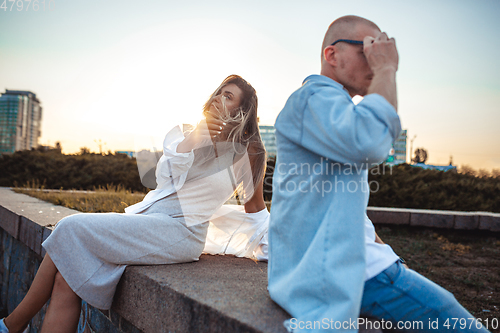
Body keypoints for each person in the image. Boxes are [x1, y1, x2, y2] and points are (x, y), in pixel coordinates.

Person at [267, 15, 490, 333]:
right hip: (346, 273)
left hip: (339, 265)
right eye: (369, 48)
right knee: (457, 321)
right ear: (332, 55)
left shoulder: (330, 107)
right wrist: (386, 69)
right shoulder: (313, 98)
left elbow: (334, 194)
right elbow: (370, 141)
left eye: (380, 51)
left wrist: (383, 247)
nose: (377, 57)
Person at [1, 75, 270, 333]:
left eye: (228, 96)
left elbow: (255, 207)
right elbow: (162, 180)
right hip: (148, 219)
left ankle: (12, 325)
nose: (217, 98)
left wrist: (276, 247)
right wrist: (196, 139)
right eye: (219, 91)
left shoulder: (249, 151)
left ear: (242, 109)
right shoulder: (186, 134)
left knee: (69, 226)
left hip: (181, 233)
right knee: (66, 279)